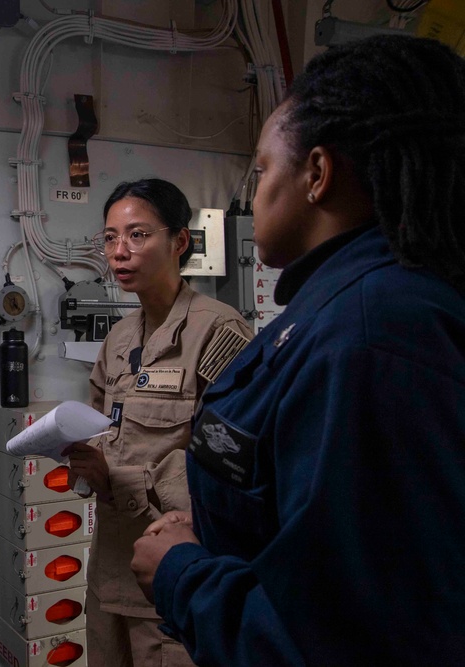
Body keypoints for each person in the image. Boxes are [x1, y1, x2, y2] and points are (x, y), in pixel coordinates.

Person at [131, 35, 465, 666]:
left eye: (260, 171)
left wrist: (181, 574)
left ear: (317, 173)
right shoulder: (341, 313)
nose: (253, 195)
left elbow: (355, 638)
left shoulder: (374, 336)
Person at [66, 179, 252, 667]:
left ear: (179, 241)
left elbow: (235, 467)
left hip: (175, 565)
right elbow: (104, 433)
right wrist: (88, 465)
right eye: (109, 238)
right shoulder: (119, 339)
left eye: (137, 235)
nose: (119, 252)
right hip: (112, 565)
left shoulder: (219, 331)